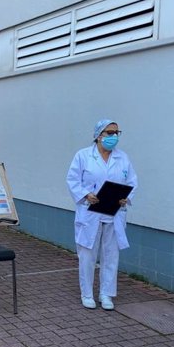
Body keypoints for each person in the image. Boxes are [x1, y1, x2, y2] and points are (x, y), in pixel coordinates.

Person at [66, 119, 138, 310]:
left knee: (110, 256)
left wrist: (126, 197)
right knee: (87, 256)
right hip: (90, 213)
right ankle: (87, 293)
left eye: (116, 132)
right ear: (98, 135)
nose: (113, 136)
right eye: (109, 132)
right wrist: (85, 194)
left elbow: (132, 181)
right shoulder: (83, 156)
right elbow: (72, 180)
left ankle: (106, 294)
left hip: (113, 213)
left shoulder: (122, 157)